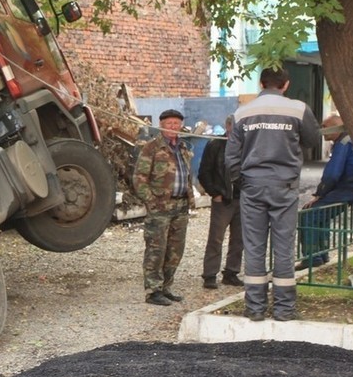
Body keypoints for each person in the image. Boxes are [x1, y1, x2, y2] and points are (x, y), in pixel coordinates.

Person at [225, 68, 320, 322]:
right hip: (285, 186)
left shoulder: (243, 112)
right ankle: (284, 309)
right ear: (286, 85)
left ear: (261, 83)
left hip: (253, 186)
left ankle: (255, 308)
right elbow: (313, 140)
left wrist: (241, 181)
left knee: (254, 247)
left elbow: (231, 155)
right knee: (284, 247)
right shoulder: (298, 109)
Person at [132, 109, 195, 306]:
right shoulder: (151, 148)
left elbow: (187, 175)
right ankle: (153, 290)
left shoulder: (183, 148)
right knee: (156, 249)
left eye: (176, 124)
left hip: (180, 206)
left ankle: (166, 287)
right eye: (169, 124)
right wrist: (151, 201)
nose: (173, 127)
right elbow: (139, 178)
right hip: (160, 207)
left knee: (175, 249)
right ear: (161, 125)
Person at [296, 115, 353, 269]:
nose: (321, 129)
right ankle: (322, 255)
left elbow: (332, 174)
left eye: (324, 125)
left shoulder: (343, 143)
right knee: (322, 214)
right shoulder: (348, 140)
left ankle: (312, 258)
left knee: (309, 214)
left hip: (349, 189)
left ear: (335, 127)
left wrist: (319, 194)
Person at [197, 116, 244, 290]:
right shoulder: (215, 144)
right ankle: (210, 274)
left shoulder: (247, 146)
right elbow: (204, 172)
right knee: (216, 238)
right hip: (222, 199)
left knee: (239, 239)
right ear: (228, 126)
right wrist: (214, 193)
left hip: (243, 198)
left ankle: (231, 272)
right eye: (235, 126)